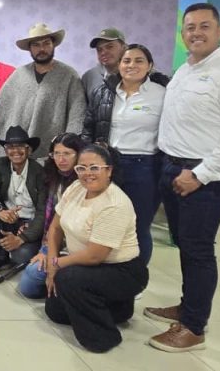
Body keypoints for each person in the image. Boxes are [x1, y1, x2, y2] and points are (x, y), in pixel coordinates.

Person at [145, 3, 220, 352]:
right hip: (172, 167)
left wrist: (201, 174)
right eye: (190, 27)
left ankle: (194, 328)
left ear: (219, 31)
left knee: (198, 249)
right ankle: (188, 307)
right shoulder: (184, 71)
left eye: (204, 26)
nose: (196, 32)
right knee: (184, 243)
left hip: (203, 174)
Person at [42, 144, 147, 353]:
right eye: (81, 168)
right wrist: (51, 262)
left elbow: (94, 256)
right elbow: (55, 228)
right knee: (54, 310)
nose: (87, 173)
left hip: (122, 270)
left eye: (94, 168)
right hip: (84, 265)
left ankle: (103, 338)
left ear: (109, 170)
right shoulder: (76, 188)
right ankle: (118, 308)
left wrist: (56, 264)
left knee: (67, 279)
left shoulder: (115, 203)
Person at [82, 44, 168, 265]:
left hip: (144, 167)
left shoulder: (162, 94)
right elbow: (89, 127)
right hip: (108, 166)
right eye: (126, 61)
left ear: (150, 65)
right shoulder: (104, 92)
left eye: (139, 61)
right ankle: (108, 271)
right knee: (104, 222)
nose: (131, 65)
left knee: (137, 226)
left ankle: (135, 275)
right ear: (119, 65)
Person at [0, 23, 86, 158]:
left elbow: (77, 115)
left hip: (53, 153)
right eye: (36, 45)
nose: (41, 49)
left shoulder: (69, 75)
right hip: (18, 152)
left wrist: (67, 147)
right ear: (30, 49)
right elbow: (1, 110)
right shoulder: (19, 75)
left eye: (46, 43)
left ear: (53, 45)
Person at [18, 133, 84, 299]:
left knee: (32, 277)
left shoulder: (85, 182)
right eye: (57, 153)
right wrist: (45, 250)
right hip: (53, 240)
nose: (61, 159)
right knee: (26, 277)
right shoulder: (54, 177)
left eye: (67, 153)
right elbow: (48, 217)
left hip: (76, 247)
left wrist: (52, 257)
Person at [0, 125, 47, 274]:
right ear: (5, 150)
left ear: (29, 150)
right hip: (8, 217)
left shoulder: (39, 172)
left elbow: (43, 211)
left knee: (21, 256)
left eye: (21, 146)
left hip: (30, 223)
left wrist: (22, 238)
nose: (15, 151)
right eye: (10, 147)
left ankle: (16, 245)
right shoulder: (1, 164)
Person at [81, 28, 127, 102]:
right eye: (99, 49)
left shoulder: (137, 74)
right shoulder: (88, 77)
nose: (103, 52)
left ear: (124, 48)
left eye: (110, 47)